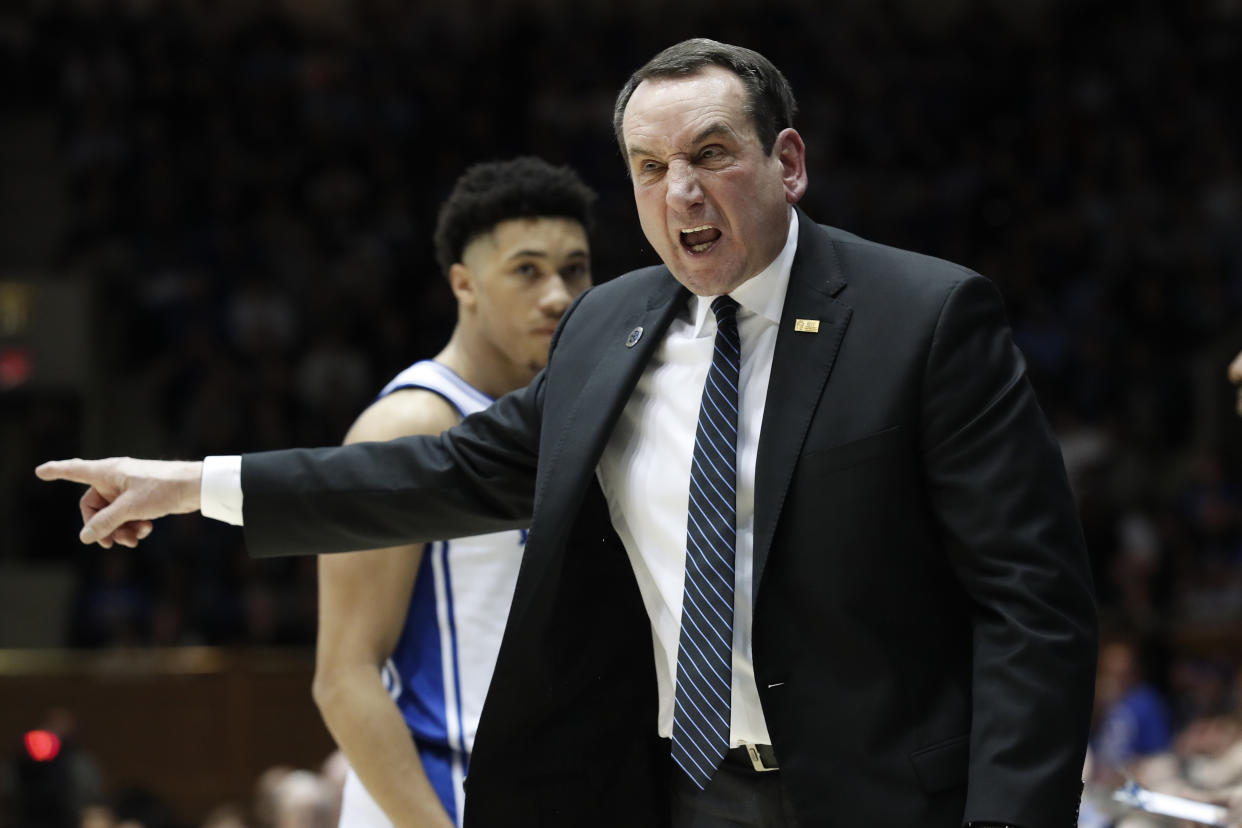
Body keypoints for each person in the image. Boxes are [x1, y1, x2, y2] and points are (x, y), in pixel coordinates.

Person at [38, 38, 1097, 828]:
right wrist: (194, 486)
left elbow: (1032, 605)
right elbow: (443, 472)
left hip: (883, 799)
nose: (679, 191)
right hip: (670, 794)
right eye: (648, 166)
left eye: (711, 154)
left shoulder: (925, 317)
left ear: (789, 162)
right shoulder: (610, 323)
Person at [311, 158, 594, 828]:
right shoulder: (406, 428)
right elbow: (344, 678)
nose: (557, 294)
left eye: (575, 269)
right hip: (434, 801)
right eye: (527, 270)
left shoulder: (582, 418)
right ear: (464, 284)